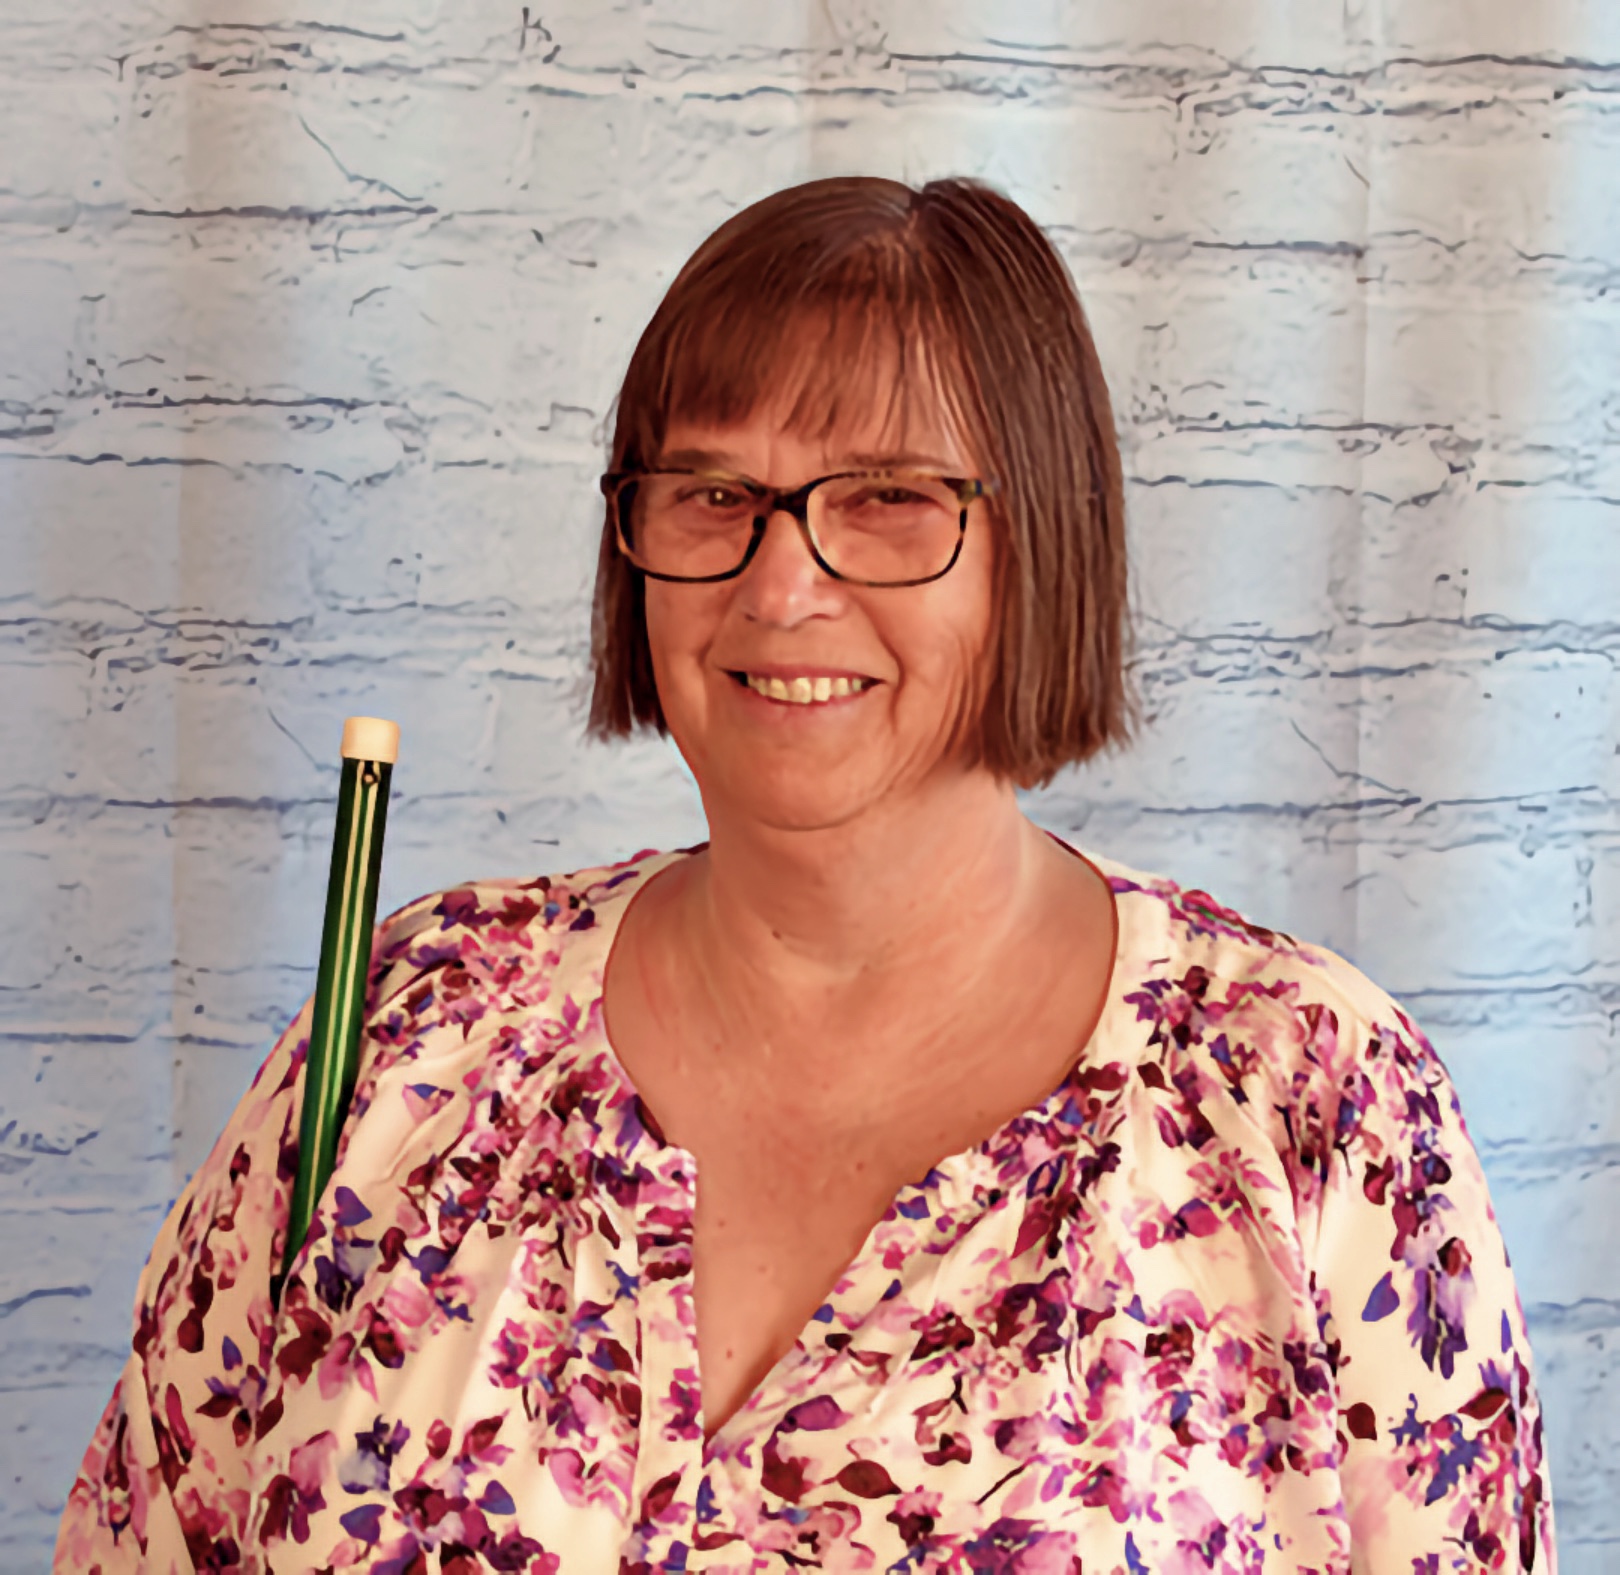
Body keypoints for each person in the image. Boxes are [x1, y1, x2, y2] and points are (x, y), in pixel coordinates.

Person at [57, 176, 1552, 1574]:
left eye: (888, 498)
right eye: (711, 494)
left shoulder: (1315, 1095)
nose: (781, 587)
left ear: (1046, 543)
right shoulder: (408, 1036)